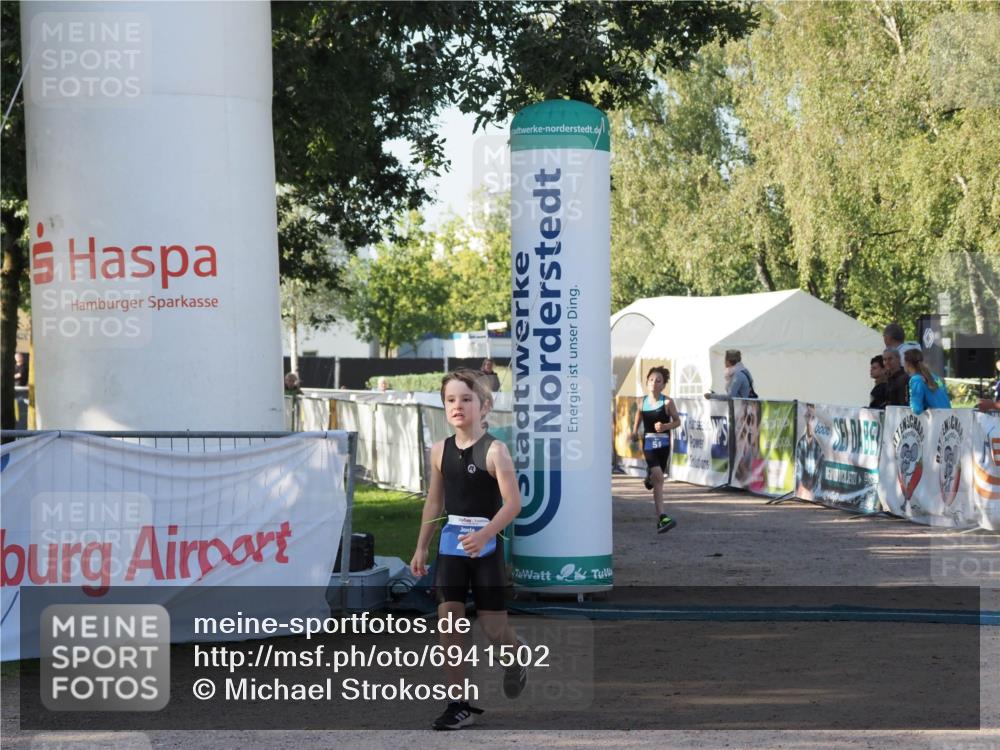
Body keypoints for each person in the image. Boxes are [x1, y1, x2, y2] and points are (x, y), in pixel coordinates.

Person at [410, 369, 526, 730]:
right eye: (450, 400)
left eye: (466, 399)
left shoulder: (496, 451)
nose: (457, 406)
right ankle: (457, 703)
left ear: (484, 405)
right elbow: (434, 503)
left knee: (493, 630)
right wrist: (421, 547)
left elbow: (513, 504)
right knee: (449, 622)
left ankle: (515, 653)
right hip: (451, 547)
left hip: (486, 549)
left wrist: (486, 534)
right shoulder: (438, 451)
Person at [630, 366, 680, 533]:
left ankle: (649, 476)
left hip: (664, 443)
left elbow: (677, 421)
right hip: (649, 442)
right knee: (659, 477)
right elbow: (639, 414)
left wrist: (666, 425)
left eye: (658, 380)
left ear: (663, 385)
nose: (654, 382)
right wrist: (635, 430)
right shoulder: (641, 401)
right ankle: (662, 518)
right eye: (651, 379)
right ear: (647, 382)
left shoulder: (667, 402)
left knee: (657, 475)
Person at [904, 348, 951, 415]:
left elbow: (916, 409)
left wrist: (911, 399)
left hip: (936, 420)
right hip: (948, 419)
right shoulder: (936, 378)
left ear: (908, 364)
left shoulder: (916, 380)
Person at [794, 403, 824, 501]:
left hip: (814, 493)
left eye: (812, 417)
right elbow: (798, 474)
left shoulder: (820, 445)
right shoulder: (801, 443)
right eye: (807, 416)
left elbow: (820, 478)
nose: (809, 420)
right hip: (803, 492)